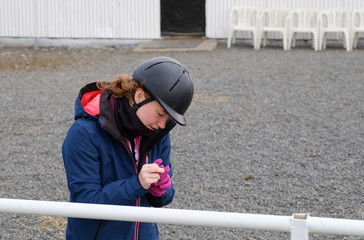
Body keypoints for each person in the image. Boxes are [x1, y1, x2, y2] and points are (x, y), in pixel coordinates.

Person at [62, 56, 194, 239]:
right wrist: (137, 184)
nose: (163, 125)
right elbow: (87, 204)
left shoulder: (159, 133)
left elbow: (163, 198)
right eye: (160, 114)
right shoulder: (84, 133)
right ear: (139, 96)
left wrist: (161, 190)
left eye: (169, 119)